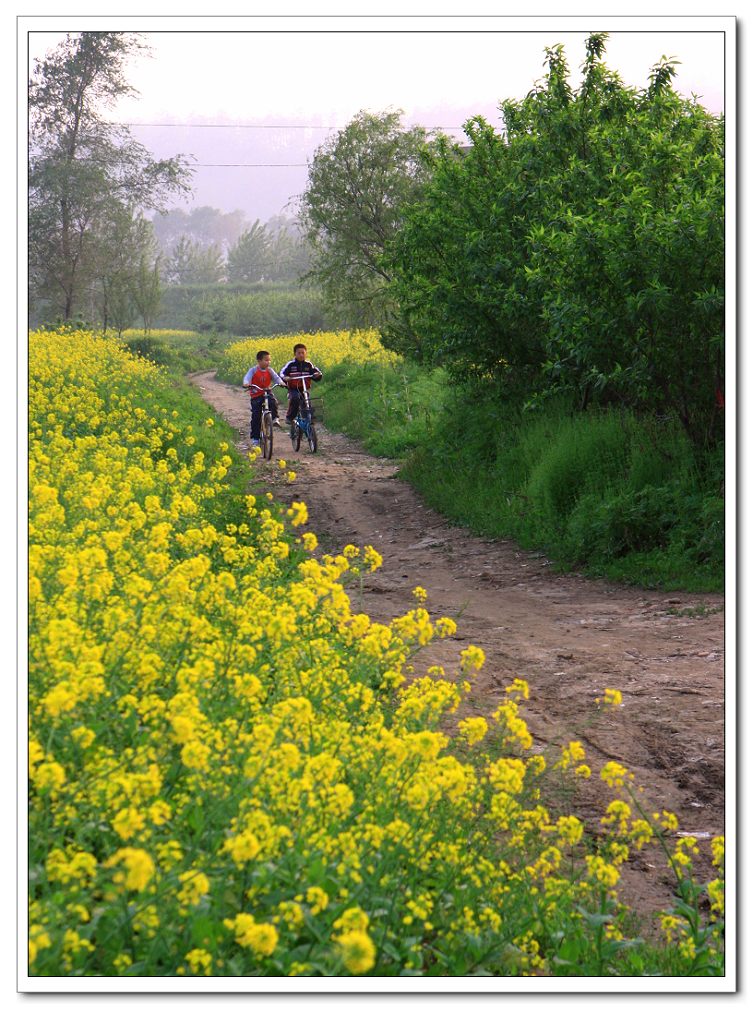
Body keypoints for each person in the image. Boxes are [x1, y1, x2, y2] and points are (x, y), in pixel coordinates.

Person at [242, 350, 284, 448]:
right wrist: (246, 383)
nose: (268, 362)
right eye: (266, 360)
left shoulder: (270, 370)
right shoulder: (253, 370)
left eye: (269, 360)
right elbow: (247, 378)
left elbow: (276, 378)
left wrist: (281, 383)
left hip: (267, 391)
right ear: (259, 361)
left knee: (273, 401)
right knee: (256, 416)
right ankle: (255, 439)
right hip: (256, 394)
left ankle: (274, 418)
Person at [280, 343, 323, 434]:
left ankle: (308, 420)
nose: (301, 355)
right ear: (295, 354)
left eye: (303, 353)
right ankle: (290, 417)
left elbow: (316, 372)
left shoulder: (308, 365)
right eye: (299, 353)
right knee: (295, 398)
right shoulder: (291, 365)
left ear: (306, 354)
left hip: (304, 389)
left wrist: (317, 375)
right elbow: (282, 373)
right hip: (293, 389)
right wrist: (285, 378)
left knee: (307, 401)